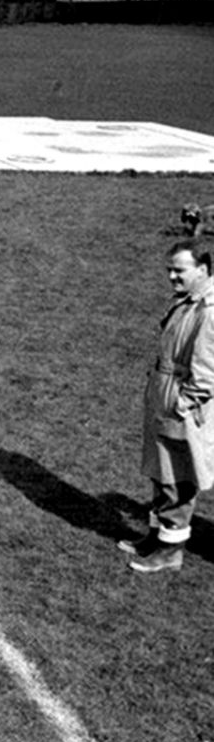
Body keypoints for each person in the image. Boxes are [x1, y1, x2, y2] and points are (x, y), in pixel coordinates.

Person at [120, 240, 214, 573]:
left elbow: (206, 375)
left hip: (180, 402)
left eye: (179, 270)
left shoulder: (209, 311)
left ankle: (171, 552)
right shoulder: (188, 302)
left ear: (202, 270)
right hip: (165, 393)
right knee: (161, 471)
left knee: (177, 477)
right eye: (169, 270)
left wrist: (180, 406)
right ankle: (157, 537)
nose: (172, 276)